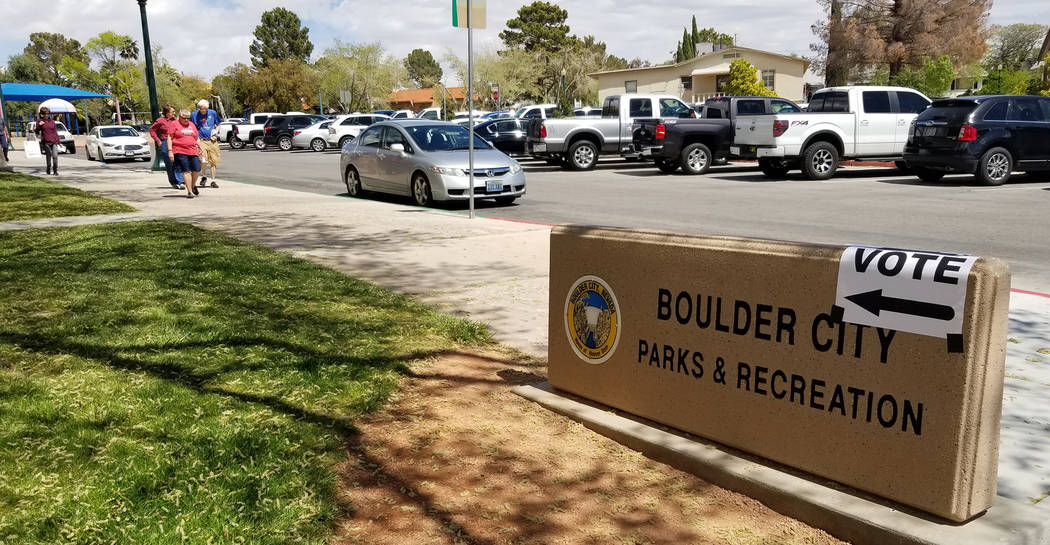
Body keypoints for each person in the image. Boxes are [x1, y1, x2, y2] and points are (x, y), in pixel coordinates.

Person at [167, 109, 202, 198]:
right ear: (179, 117)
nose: (186, 120)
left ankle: (192, 185)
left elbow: (196, 138)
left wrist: (201, 147)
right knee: (186, 171)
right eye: (184, 118)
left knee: (197, 169)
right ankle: (190, 191)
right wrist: (170, 151)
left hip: (192, 150)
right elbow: (169, 138)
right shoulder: (174, 124)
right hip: (180, 150)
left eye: (188, 118)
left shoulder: (192, 125)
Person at [149, 105, 184, 189]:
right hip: (165, 142)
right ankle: (173, 182)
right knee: (170, 164)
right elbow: (152, 130)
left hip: (175, 142)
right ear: (167, 113)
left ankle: (181, 181)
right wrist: (158, 140)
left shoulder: (176, 120)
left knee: (178, 161)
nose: (174, 113)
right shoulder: (160, 121)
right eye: (173, 112)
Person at [190, 99, 221, 188]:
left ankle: (213, 180)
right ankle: (204, 176)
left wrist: (215, 133)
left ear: (207, 108)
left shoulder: (213, 113)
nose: (202, 110)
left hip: (212, 140)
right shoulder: (194, 114)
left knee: (213, 160)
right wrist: (196, 139)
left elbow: (218, 124)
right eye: (200, 108)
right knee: (203, 160)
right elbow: (192, 127)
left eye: (204, 109)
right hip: (201, 140)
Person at [34, 107, 61, 175]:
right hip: (46, 142)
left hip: (54, 141)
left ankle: (55, 171)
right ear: (42, 114)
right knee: (48, 157)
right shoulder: (39, 121)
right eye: (45, 114)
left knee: (55, 156)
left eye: (48, 114)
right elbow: (36, 131)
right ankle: (48, 168)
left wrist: (58, 141)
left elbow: (55, 132)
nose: (47, 115)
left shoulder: (52, 121)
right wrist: (39, 125)